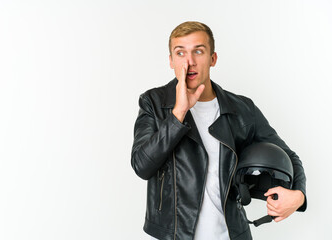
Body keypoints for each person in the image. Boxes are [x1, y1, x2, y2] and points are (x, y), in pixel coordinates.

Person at [131, 21, 306, 240]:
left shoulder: (242, 109)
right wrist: (178, 113)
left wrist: (298, 196)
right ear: (171, 61)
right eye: (180, 52)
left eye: (198, 51)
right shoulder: (153, 103)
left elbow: (289, 156)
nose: (190, 62)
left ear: (213, 58)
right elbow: (141, 165)